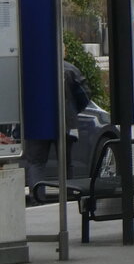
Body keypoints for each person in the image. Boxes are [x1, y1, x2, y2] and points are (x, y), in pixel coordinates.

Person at [24, 59, 90, 194]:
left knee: (36, 163)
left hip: (36, 121)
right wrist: (73, 110)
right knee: (65, 162)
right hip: (66, 121)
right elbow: (84, 94)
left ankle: (37, 198)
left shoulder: (29, 67)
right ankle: (68, 195)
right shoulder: (70, 69)